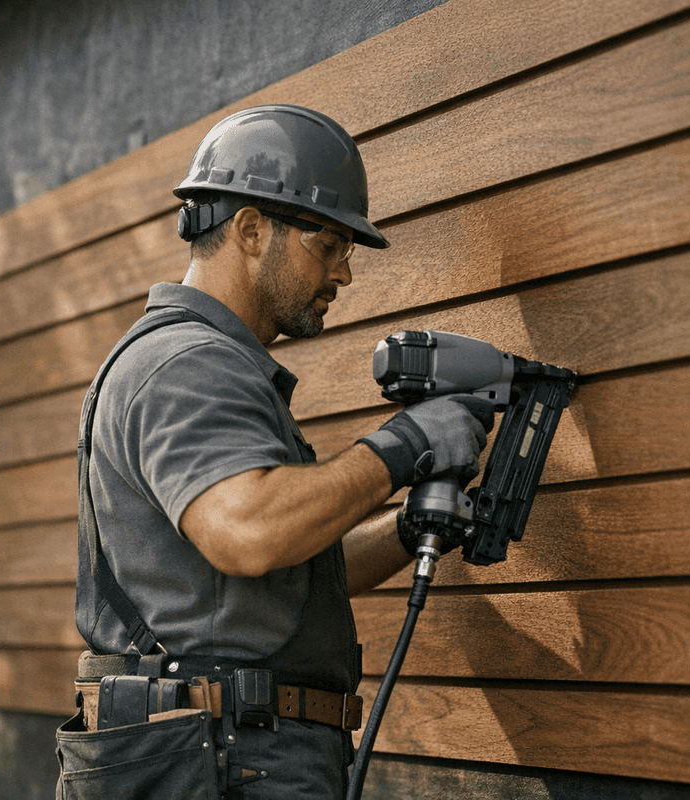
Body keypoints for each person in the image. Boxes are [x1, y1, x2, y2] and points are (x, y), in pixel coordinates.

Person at [55, 105, 494, 799]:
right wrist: (404, 445)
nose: (344, 275)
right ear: (252, 229)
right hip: (221, 758)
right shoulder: (188, 364)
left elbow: (284, 574)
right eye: (329, 245)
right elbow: (251, 533)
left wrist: (412, 528)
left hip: (225, 752)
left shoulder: (204, 364)